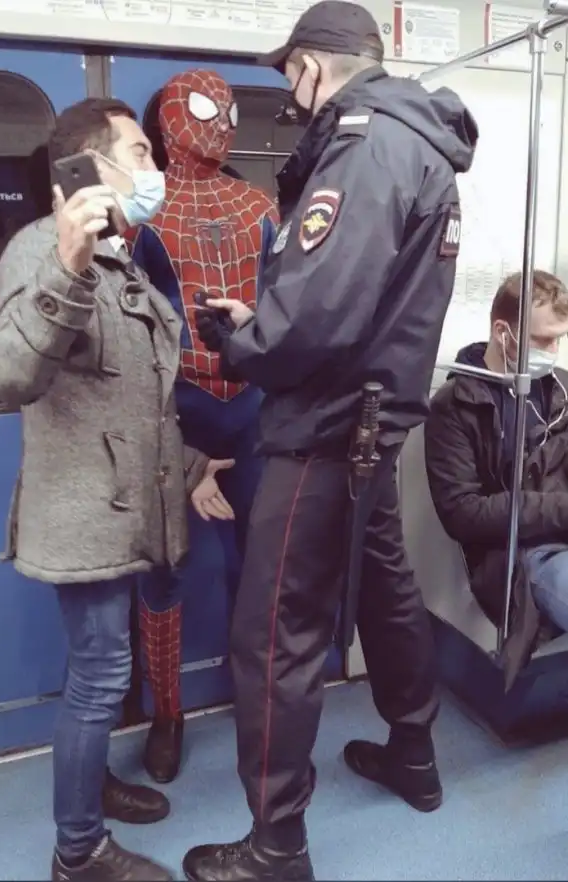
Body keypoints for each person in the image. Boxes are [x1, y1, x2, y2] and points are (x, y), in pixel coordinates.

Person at [182, 1, 479, 879]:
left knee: (277, 630)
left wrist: (243, 341)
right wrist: (271, 319)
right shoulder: (420, 142)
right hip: (374, 422)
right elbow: (353, 298)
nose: (291, 91)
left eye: (290, 74)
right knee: (386, 586)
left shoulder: (366, 146)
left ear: (312, 65)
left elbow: (317, 318)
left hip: (323, 427)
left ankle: (276, 842)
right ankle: (414, 752)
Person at [0, 97, 235, 882]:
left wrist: (192, 466)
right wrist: (66, 265)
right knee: (99, 678)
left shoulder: (124, 256)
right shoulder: (42, 249)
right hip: (86, 516)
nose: (156, 168)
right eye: (140, 153)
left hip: (129, 516)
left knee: (99, 674)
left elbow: (138, 402)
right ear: (90, 167)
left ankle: (88, 788)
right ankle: (78, 851)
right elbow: (4, 372)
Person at [130, 69, 278, 784]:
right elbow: (128, 339)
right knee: (163, 568)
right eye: (201, 108)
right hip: (172, 408)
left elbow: (286, 309)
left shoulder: (261, 207)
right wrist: (176, 449)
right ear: (168, 119)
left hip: (252, 407)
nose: (221, 121)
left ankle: (260, 700)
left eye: (228, 108)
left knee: (263, 565)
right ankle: (167, 712)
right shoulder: (139, 215)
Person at [425, 270, 568, 681]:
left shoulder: (560, 390)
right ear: (503, 332)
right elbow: (463, 514)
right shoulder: (455, 407)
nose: (553, 351)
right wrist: (560, 510)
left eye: (559, 339)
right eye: (542, 340)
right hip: (519, 554)